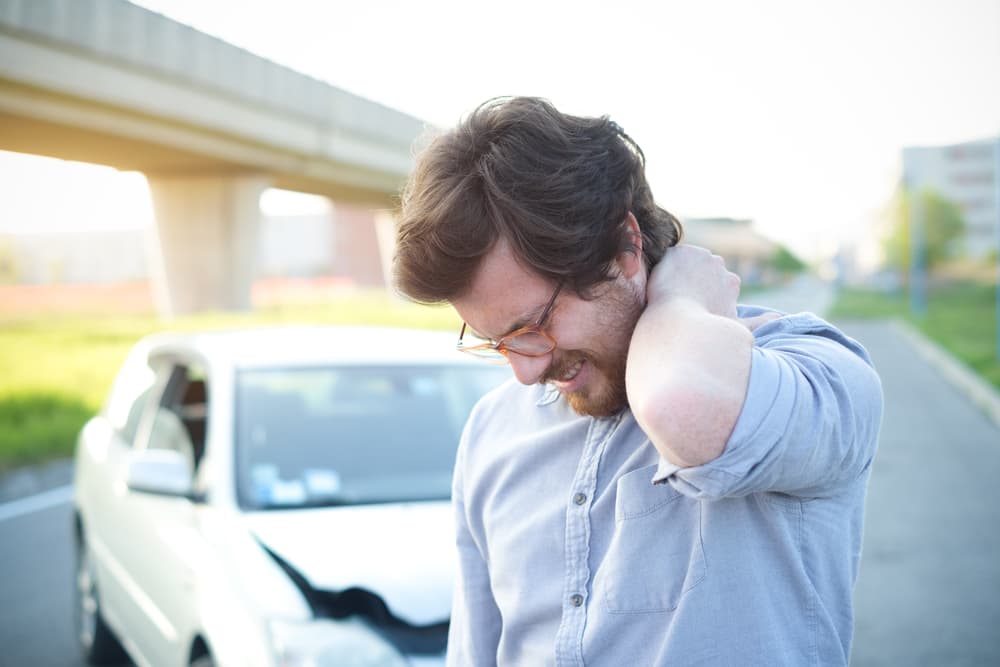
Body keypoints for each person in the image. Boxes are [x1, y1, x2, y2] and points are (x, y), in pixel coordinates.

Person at [393, 96, 883, 666]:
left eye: (534, 326)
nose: (525, 373)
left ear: (625, 246)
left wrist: (677, 297)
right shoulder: (492, 428)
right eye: (497, 341)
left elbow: (689, 411)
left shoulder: (813, 369)